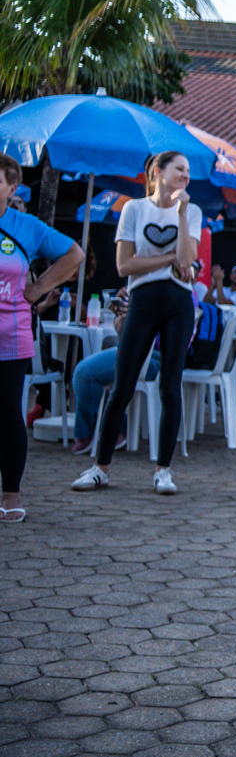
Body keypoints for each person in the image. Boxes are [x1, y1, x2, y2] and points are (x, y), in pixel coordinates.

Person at [70, 150, 203, 496]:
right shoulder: (134, 209)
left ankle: (163, 471)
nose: (186, 175)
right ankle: (100, 468)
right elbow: (125, 266)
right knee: (122, 386)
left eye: (188, 170)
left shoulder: (192, 211)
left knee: (170, 387)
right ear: (158, 172)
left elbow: (188, 259)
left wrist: (182, 214)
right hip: (142, 302)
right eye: (180, 169)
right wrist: (170, 259)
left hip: (178, 304)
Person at [0, 155, 83, 522]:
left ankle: (11, 494)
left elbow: (73, 254)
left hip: (10, 337)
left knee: (7, 415)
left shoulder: (25, 227)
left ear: (11, 188)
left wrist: (38, 289)